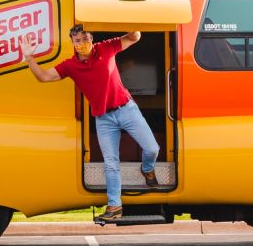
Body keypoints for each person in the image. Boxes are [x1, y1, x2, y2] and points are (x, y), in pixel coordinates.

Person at [20, 23, 159, 224]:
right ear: (73, 44)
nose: (83, 43)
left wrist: (131, 22)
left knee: (152, 149)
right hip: (103, 118)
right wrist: (29, 58)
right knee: (111, 163)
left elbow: (134, 37)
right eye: (78, 40)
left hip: (127, 109)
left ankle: (147, 169)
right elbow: (43, 77)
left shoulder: (106, 48)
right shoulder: (70, 65)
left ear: (92, 38)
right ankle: (114, 205)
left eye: (85, 38)